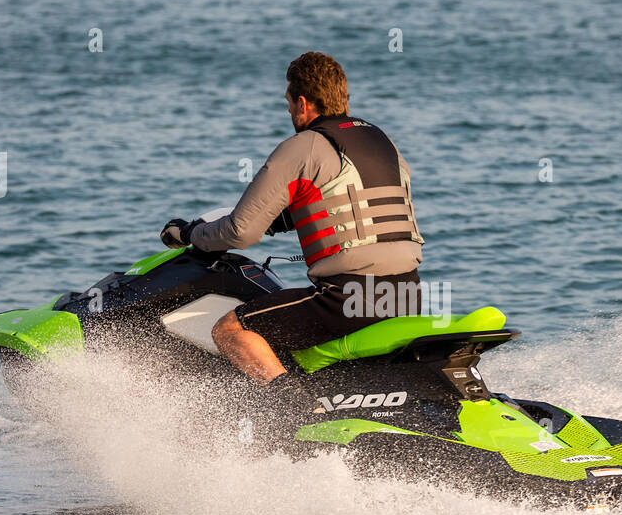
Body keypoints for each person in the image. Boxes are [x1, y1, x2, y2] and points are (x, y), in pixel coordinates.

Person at [160, 52, 424, 394]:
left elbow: (240, 232)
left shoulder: (303, 147)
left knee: (230, 330)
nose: (287, 110)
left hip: (347, 297)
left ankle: (290, 409)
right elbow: (349, 208)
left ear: (302, 103)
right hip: (407, 292)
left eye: (287, 101)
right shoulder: (380, 139)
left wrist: (190, 232)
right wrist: (278, 222)